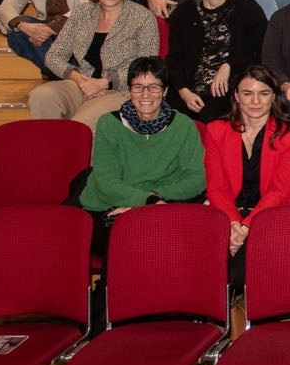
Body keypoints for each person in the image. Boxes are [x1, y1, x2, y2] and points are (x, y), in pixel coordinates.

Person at [77, 55, 207, 257]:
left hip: (161, 205)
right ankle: (106, 289)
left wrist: (151, 199)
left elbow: (197, 178)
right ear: (130, 90)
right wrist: (148, 202)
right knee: (129, 241)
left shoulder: (183, 125)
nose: (145, 94)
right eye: (138, 87)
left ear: (164, 91)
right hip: (109, 207)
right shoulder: (109, 124)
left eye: (154, 87)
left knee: (173, 243)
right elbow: (106, 183)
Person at [200, 64, 290, 287]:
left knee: (239, 274)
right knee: (209, 270)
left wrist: (247, 226)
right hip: (229, 212)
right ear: (236, 96)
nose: (255, 101)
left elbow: (280, 191)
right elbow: (216, 187)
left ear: (273, 97)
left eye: (263, 93)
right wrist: (233, 224)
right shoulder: (216, 130)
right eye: (248, 93)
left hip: (278, 211)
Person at [27, 0, 159, 125]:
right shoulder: (82, 13)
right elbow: (54, 55)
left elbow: (147, 65)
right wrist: (79, 80)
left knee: (80, 124)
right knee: (41, 96)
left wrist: (104, 83)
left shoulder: (142, 17)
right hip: (83, 83)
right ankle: (50, 150)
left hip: (122, 90)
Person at [162, 0, 264, 124]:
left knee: (212, 118)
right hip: (188, 91)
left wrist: (229, 65)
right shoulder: (183, 13)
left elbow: (259, 52)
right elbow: (174, 60)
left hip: (231, 91)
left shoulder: (248, 9)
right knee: (169, 120)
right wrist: (184, 92)